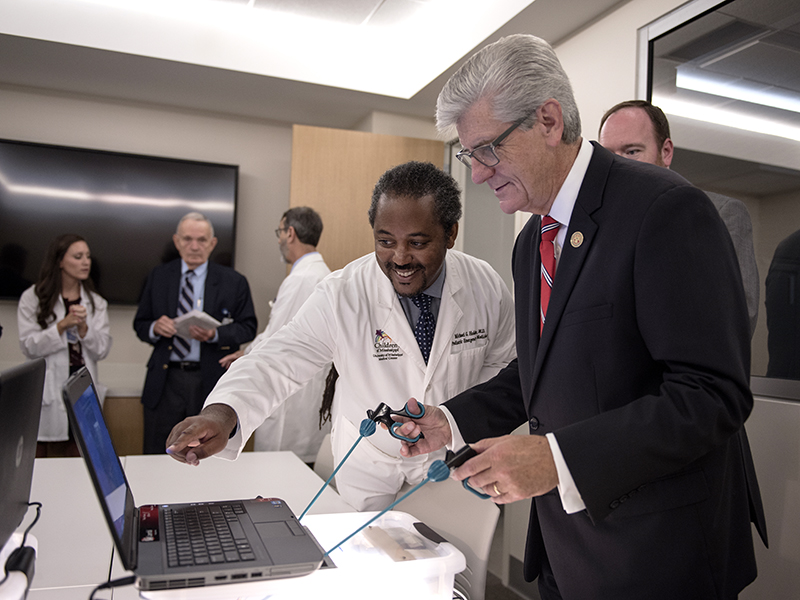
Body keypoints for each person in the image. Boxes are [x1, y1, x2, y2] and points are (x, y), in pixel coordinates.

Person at [397, 35, 766, 599]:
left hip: (656, 555)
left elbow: (713, 395)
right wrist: (449, 421)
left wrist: (558, 459)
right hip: (565, 552)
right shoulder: (531, 242)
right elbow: (540, 373)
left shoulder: (663, 208)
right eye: (470, 156)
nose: (476, 175)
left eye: (487, 150)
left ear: (547, 120)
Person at [164, 161, 517, 511]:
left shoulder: (485, 287)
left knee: (448, 559)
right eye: (385, 241)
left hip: (451, 454)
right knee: (366, 555)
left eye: (418, 242)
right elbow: (278, 359)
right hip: (369, 461)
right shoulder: (342, 293)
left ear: (450, 233)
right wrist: (223, 413)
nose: (400, 257)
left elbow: (502, 366)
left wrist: (456, 419)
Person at [598, 99, 759, 336]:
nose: (617, 164)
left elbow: (736, 318)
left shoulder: (720, 213)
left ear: (666, 152)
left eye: (632, 151)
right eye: (607, 154)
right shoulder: (599, 224)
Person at [133, 212, 257, 455]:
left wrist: (215, 335)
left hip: (209, 379)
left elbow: (248, 327)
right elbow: (141, 324)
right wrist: (155, 327)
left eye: (201, 240)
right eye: (187, 239)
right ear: (177, 241)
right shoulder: (159, 276)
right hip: (166, 381)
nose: (194, 246)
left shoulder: (234, 281)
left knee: (205, 452)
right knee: (159, 452)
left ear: (213, 244)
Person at [220, 207, 332, 463]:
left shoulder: (302, 279)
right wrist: (247, 351)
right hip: (306, 399)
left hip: (291, 405)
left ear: (290, 233)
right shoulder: (320, 275)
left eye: (280, 232)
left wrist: (244, 357)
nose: (279, 239)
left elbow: (277, 338)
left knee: (281, 476)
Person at [18, 234, 112, 457]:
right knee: (41, 457)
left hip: (81, 389)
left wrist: (84, 330)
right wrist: (61, 326)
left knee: (79, 455)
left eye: (88, 256)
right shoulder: (33, 297)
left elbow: (102, 350)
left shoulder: (96, 302)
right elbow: (29, 347)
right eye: (78, 257)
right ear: (59, 261)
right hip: (48, 390)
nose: (85, 262)